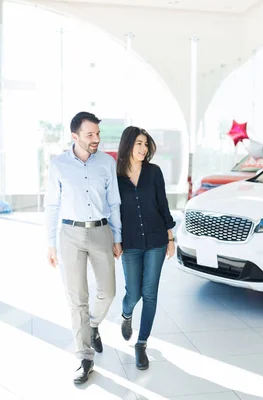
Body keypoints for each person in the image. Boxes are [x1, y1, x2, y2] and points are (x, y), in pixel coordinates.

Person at [44, 111, 123, 384]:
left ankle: (92, 324)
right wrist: (49, 243)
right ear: (74, 136)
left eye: (98, 134)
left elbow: (114, 201)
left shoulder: (106, 163)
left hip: (101, 231)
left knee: (108, 291)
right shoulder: (58, 165)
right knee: (77, 298)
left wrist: (117, 236)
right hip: (70, 234)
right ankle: (85, 357)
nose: (96, 139)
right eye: (90, 135)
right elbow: (52, 205)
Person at [116, 126, 176, 370]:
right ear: (128, 145)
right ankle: (126, 314)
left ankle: (141, 344)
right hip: (130, 243)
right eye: (138, 143)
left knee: (150, 293)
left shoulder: (154, 172)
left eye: (145, 144)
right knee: (134, 293)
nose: (143, 149)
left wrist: (170, 238)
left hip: (156, 241)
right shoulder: (116, 175)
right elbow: (113, 211)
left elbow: (163, 205)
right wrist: (115, 239)